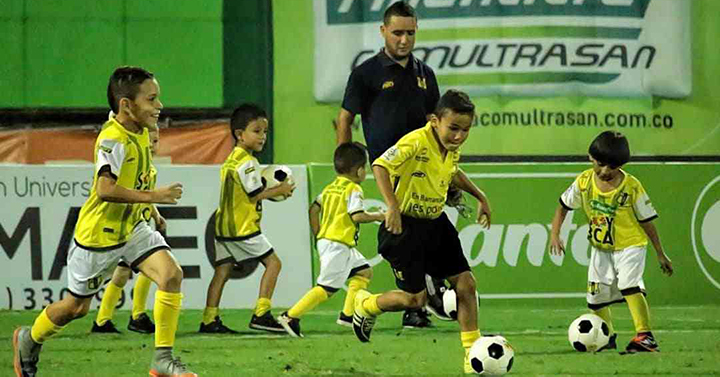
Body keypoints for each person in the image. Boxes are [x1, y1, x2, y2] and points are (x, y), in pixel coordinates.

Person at [12, 66, 197, 377]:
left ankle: (162, 360)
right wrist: (153, 197)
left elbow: (137, 178)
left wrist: (151, 211)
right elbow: (105, 189)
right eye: (151, 99)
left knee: (171, 275)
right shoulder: (112, 140)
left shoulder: (139, 132)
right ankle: (28, 339)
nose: (159, 105)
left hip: (133, 227)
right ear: (126, 105)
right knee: (76, 308)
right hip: (100, 234)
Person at [351, 90, 492, 374]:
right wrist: (391, 205)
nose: (459, 136)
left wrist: (481, 196)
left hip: (436, 225)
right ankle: (366, 304)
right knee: (416, 301)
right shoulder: (416, 141)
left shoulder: (451, 148)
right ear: (435, 120)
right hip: (404, 228)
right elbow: (379, 165)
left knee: (466, 285)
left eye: (465, 130)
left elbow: (452, 171)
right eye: (453, 128)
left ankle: (472, 355)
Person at [335, 0, 441, 329]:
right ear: (383, 31)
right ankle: (415, 303)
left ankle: (422, 299)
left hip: (424, 170)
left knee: (422, 232)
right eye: (397, 33)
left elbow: (434, 123)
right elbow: (345, 118)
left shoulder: (426, 74)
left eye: (410, 33)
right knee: (407, 234)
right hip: (388, 170)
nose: (404, 40)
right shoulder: (366, 73)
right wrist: (344, 165)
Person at [549, 130, 674, 353]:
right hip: (601, 249)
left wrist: (660, 253)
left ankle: (645, 336)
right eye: (600, 164)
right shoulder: (584, 181)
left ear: (621, 165)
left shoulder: (632, 186)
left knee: (629, 285)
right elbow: (563, 206)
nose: (605, 171)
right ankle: (607, 337)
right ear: (590, 157)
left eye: (612, 167)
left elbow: (646, 222)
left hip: (630, 245)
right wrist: (554, 234)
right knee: (595, 299)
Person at [199, 103, 295, 334]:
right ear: (239, 134)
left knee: (222, 272)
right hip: (242, 228)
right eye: (256, 131)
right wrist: (280, 190)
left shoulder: (232, 159)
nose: (262, 136)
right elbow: (255, 195)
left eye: (265, 131)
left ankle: (209, 319)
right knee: (274, 263)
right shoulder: (247, 163)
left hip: (223, 228)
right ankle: (261, 314)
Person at [277, 142, 384, 337]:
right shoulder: (354, 189)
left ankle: (347, 315)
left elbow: (314, 208)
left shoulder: (330, 188)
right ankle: (290, 316)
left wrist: (318, 232)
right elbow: (357, 216)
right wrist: (378, 216)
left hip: (334, 242)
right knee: (326, 289)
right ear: (360, 170)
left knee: (364, 272)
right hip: (338, 244)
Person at [90, 124, 164, 335]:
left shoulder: (150, 169)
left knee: (124, 273)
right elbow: (131, 192)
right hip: (127, 228)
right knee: (143, 271)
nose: (151, 144)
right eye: (148, 140)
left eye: (156, 141)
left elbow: (145, 195)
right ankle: (134, 316)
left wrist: (157, 215)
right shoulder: (132, 165)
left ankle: (105, 320)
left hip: (137, 226)